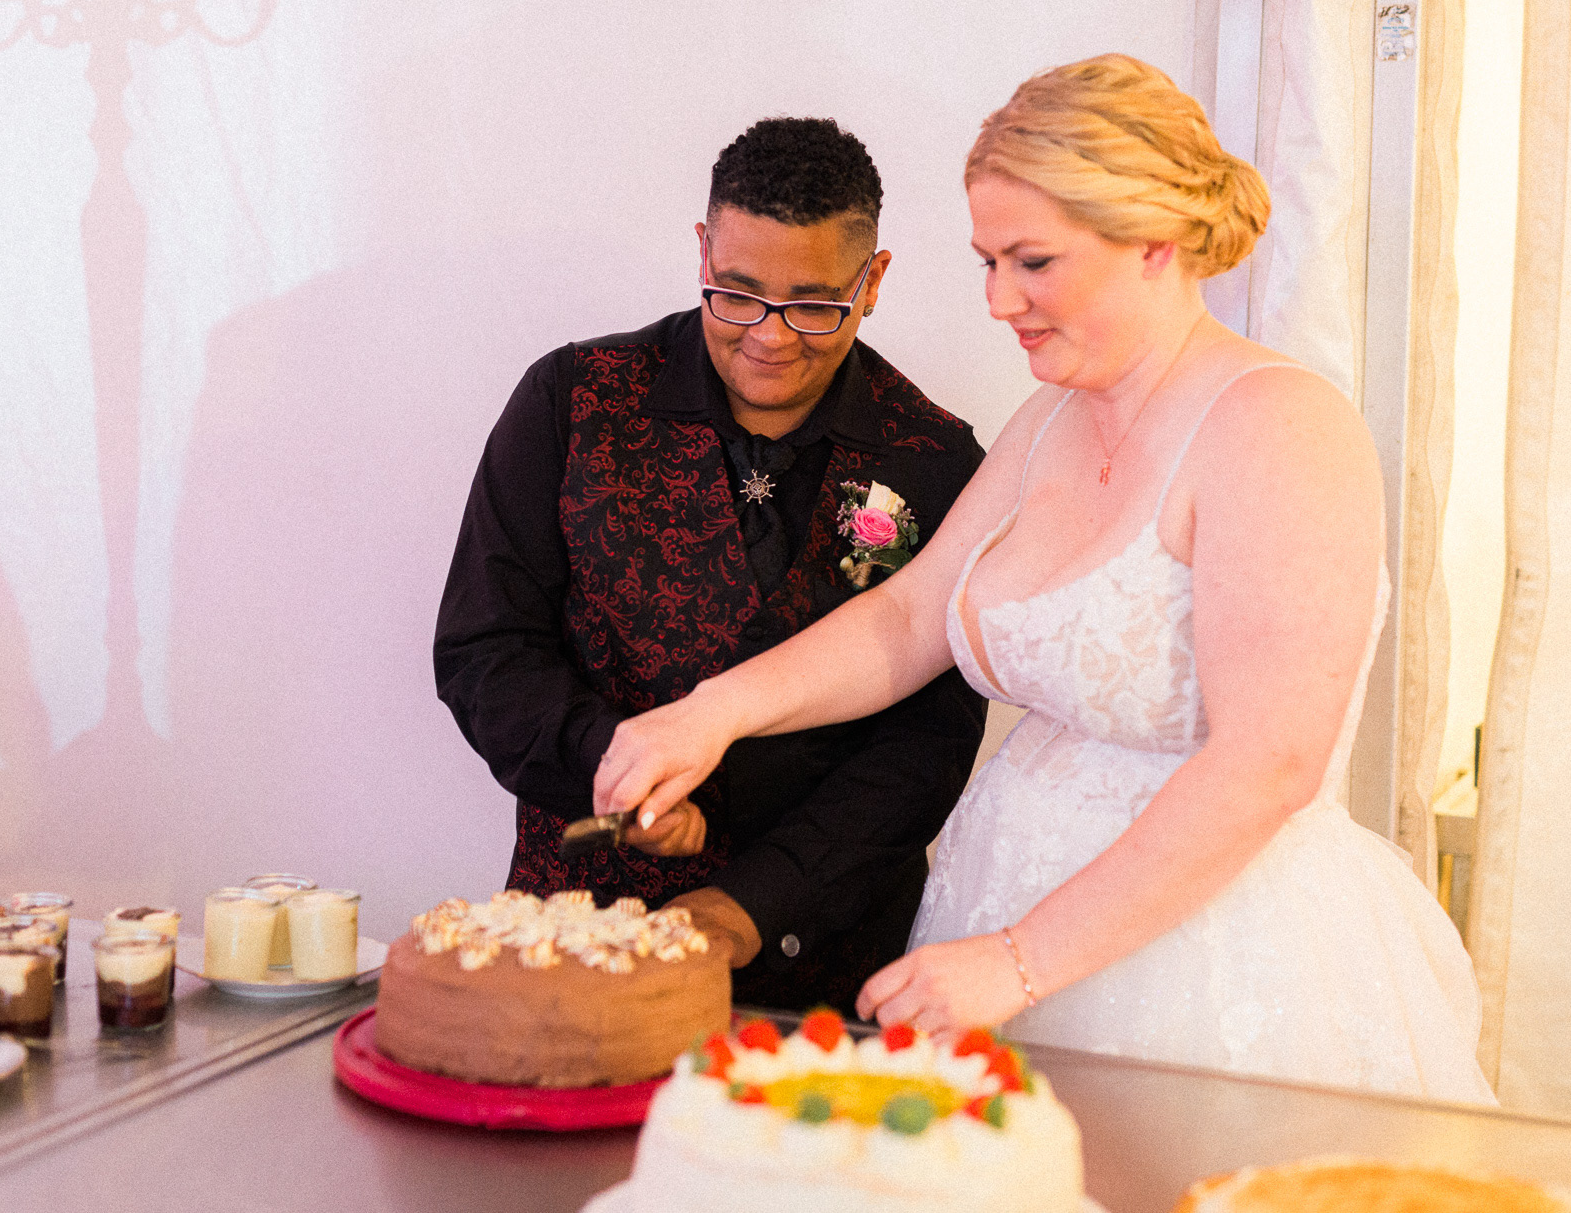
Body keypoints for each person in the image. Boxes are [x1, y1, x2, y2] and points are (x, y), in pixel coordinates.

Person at [594, 56, 1496, 1102]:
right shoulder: (1050, 419)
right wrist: (710, 714)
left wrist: (1021, 960)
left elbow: (1268, 762)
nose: (998, 300)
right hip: (998, 904)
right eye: (989, 261)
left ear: (1153, 240)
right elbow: (909, 618)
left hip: (1206, 954)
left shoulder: (1279, 428)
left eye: (1033, 262)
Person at [435, 117, 988, 1012]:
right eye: (737, 295)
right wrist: (617, 767)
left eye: (813, 305)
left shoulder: (936, 457)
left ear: (874, 280)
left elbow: (932, 738)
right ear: (703, 252)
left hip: (829, 946)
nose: (769, 336)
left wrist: (753, 902)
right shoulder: (569, 400)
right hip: (585, 928)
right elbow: (485, 649)